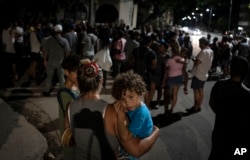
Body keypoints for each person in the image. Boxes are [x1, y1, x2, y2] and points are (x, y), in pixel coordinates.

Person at [66, 61, 159, 160]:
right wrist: (156, 132)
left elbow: (68, 140)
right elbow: (136, 151)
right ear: (101, 80)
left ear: (80, 81)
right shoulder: (113, 111)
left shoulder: (70, 106)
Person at [208, 56, 250, 160]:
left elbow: (212, 103)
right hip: (238, 137)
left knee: (215, 154)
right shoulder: (246, 93)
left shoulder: (219, 85)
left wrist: (221, 113)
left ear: (231, 68)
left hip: (219, 131)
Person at [112, 71, 154, 159]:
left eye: (131, 97)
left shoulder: (141, 113)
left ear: (140, 93)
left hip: (132, 154)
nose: (127, 102)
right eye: (123, 99)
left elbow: (125, 137)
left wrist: (120, 115)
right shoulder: (132, 106)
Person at [57, 54, 81, 160]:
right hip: (70, 134)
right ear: (67, 72)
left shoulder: (76, 87)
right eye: (76, 72)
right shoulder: (65, 94)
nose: (79, 75)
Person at [42, 24, 71, 96]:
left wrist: (45, 61)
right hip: (61, 62)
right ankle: (63, 92)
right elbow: (67, 52)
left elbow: (45, 52)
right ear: (61, 31)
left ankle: (46, 91)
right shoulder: (64, 41)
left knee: (49, 78)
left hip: (51, 62)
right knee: (61, 78)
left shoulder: (48, 40)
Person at [186, 37, 213, 113]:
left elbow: (197, 62)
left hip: (198, 74)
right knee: (201, 90)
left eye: (200, 44)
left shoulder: (203, 52)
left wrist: (194, 59)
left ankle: (195, 107)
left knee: (196, 92)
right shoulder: (211, 51)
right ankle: (199, 106)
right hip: (204, 74)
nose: (199, 45)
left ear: (203, 44)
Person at [161, 41, 186, 115]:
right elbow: (184, 68)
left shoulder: (169, 60)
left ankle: (166, 110)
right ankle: (171, 109)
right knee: (175, 94)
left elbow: (166, 71)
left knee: (168, 95)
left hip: (171, 78)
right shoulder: (182, 59)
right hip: (179, 77)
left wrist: (163, 82)